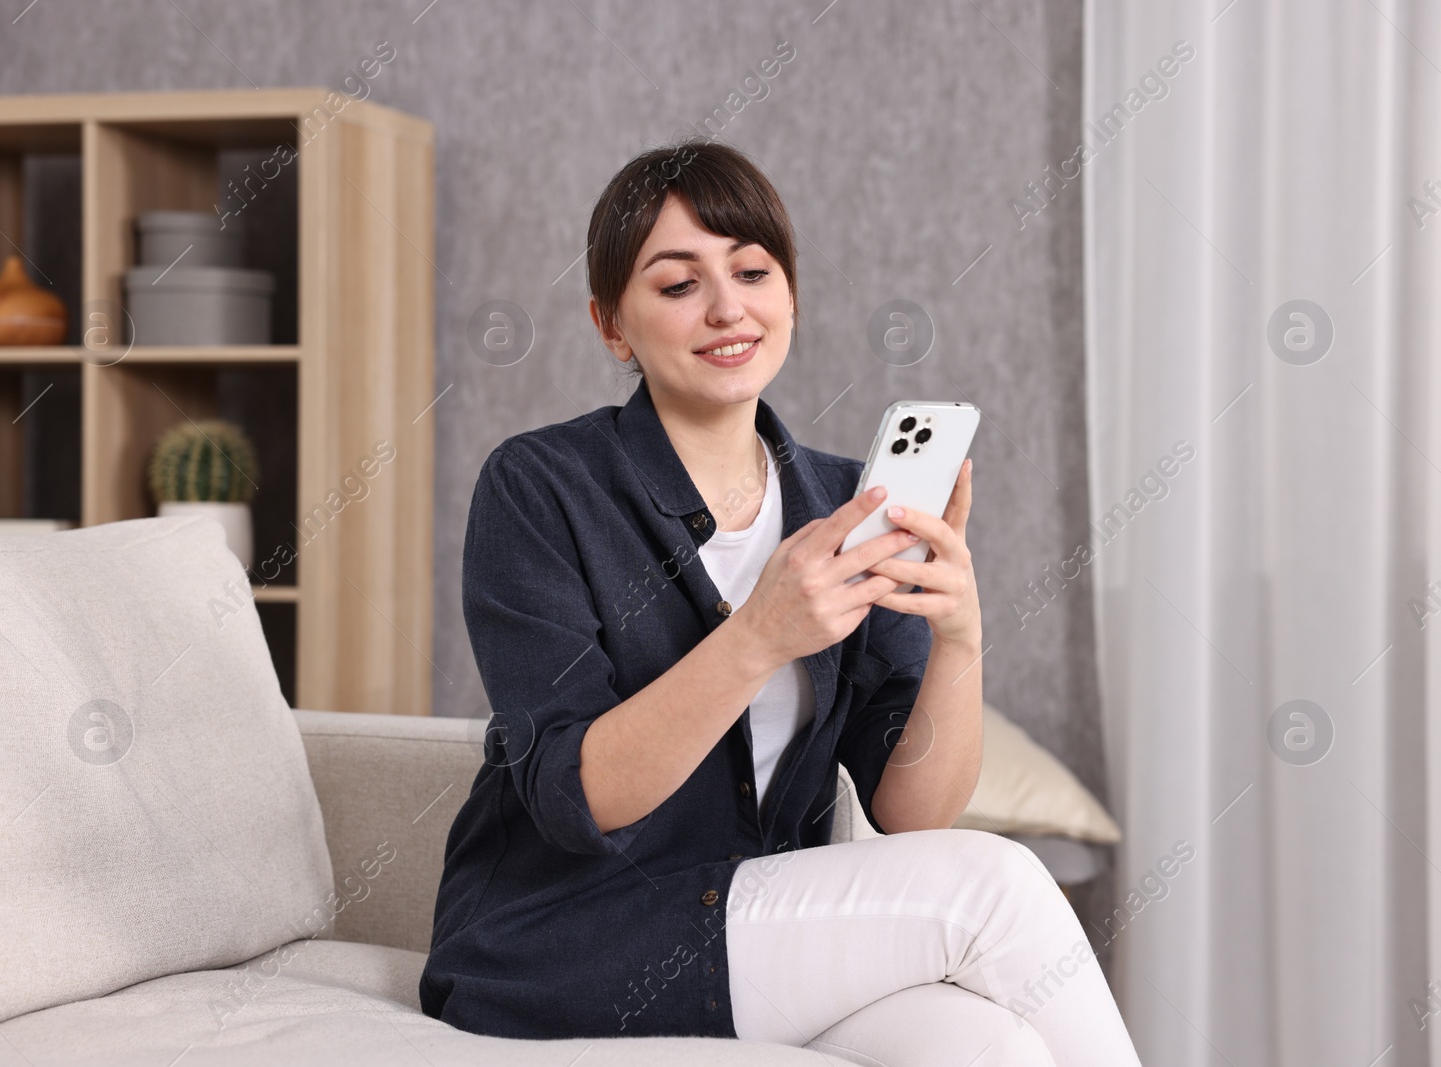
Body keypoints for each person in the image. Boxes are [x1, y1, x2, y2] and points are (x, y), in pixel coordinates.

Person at [419, 139, 1144, 1066]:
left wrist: (959, 641)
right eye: (677, 285)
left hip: (760, 927)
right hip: (559, 942)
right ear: (612, 325)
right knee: (996, 885)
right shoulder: (540, 485)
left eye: (753, 271)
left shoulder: (848, 504)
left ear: (790, 294)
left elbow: (908, 811)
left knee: (987, 1042)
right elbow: (579, 797)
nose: (727, 308)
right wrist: (759, 635)